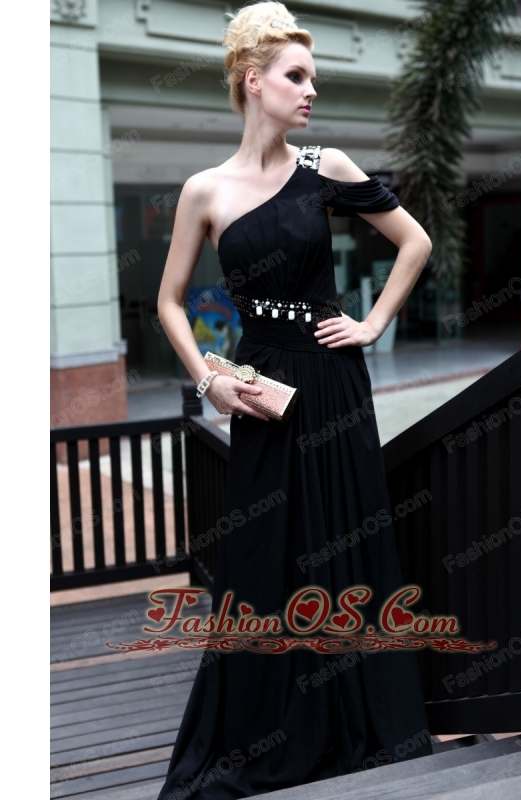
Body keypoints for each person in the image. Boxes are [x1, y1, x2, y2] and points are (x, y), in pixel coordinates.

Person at [155, 2, 433, 797]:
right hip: (260, 389)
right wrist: (209, 380)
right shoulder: (204, 190)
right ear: (253, 82)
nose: (311, 90)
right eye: (297, 76)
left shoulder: (327, 167)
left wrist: (372, 324)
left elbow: (413, 241)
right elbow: (171, 301)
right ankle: (267, 727)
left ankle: (354, 718)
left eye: (313, 77)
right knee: (262, 554)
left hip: (333, 377)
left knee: (344, 537)